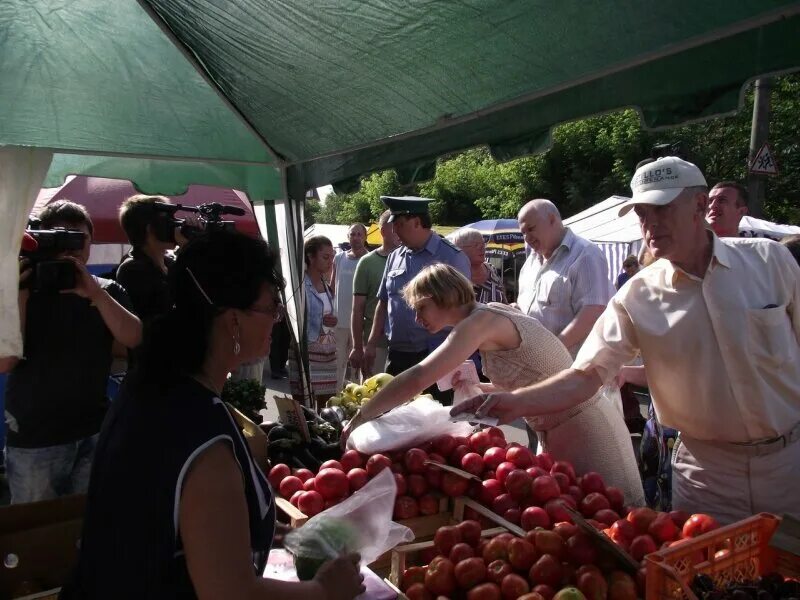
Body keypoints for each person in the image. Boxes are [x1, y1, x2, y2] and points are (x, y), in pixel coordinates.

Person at [454, 156, 800, 524]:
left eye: (662, 209)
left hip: (789, 463)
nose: (651, 223)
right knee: (709, 575)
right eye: (642, 213)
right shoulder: (637, 296)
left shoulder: (770, 261)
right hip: (707, 476)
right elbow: (586, 376)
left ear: (700, 206)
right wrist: (513, 403)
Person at [60, 231, 364, 600]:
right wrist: (325, 591)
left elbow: (186, 528)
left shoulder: (154, 382)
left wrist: (280, 534)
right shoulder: (205, 444)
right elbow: (230, 593)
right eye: (271, 306)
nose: (278, 319)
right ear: (232, 320)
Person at [344, 264, 644, 504]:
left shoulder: (480, 321)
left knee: (611, 516)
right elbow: (535, 378)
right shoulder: (490, 314)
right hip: (560, 427)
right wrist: (483, 390)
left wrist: (363, 415)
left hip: (584, 427)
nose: (417, 317)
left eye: (420, 307)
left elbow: (420, 376)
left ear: (441, 296)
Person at [0, 200, 142, 504]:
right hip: (36, 436)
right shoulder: (21, 287)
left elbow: (133, 338)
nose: (74, 249)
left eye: (81, 239)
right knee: (36, 532)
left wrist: (94, 294)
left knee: (87, 522)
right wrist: (21, 292)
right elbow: (6, 361)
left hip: (91, 428)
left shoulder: (106, 289)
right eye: (63, 238)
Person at [364, 196, 470, 381]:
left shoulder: (452, 257)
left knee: (432, 409)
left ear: (416, 222)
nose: (394, 231)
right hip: (397, 355)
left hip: (436, 356)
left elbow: (465, 311)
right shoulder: (394, 256)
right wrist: (371, 344)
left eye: (399, 224)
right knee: (393, 409)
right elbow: (383, 302)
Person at [516, 199, 613, 356]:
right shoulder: (530, 263)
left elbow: (592, 312)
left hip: (576, 368)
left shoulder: (585, 254)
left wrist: (552, 352)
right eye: (523, 233)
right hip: (540, 363)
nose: (526, 238)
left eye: (531, 229)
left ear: (552, 219)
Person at [116, 194, 191, 322]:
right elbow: (168, 308)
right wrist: (187, 250)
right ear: (149, 229)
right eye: (167, 222)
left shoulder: (169, 263)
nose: (174, 225)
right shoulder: (132, 269)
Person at [349, 211, 399, 379]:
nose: (399, 231)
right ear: (383, 230)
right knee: (371, 395)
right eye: (395, 227)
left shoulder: (410, 259)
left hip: (404, 345)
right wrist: (357, 347)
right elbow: (357, 309)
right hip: (375, 345)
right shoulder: (367, 263)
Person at [290, 236, 338, 408]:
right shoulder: (300, 285)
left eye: (332, 257)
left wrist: (333, 320)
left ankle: (323, 435)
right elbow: (293, 315)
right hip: (306, 350)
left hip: (328, 352)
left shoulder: (327, 285)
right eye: (326, 257)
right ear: (310, 257)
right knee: (304, 405)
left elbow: (328, 315)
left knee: (327, 403)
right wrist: (320, 319)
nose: (331, 261)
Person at [331, 223, 369, 388]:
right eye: (352, 234)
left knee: (357, 367)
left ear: (365, 237)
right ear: (348, 237)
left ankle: (356, 402)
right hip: (338, 322)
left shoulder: (369, 260)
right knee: (337, 364)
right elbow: (332, 287)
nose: (356, 238)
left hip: (360, 324)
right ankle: (334, 398)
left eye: (359, 234)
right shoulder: (339, 258)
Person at [449, 227, 507, 303]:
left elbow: (503, 298)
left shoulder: (491, 269)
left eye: (483, 243)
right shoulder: (454, 276)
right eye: (476, 245)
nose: (482, 248)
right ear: (460, 249)